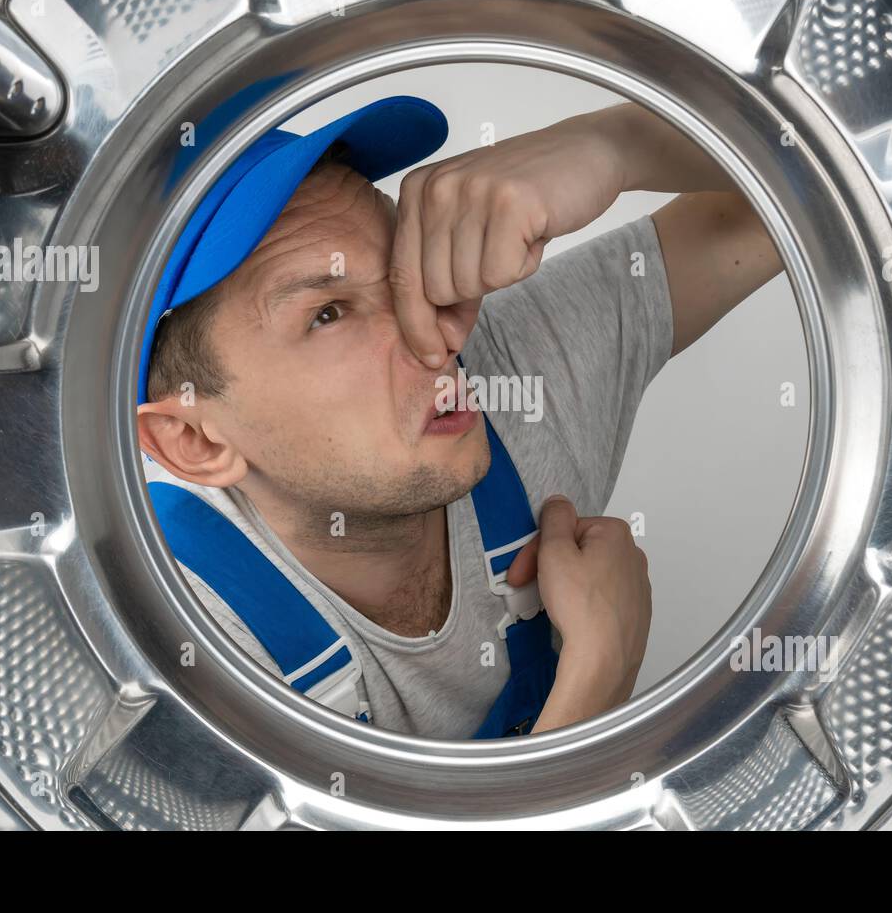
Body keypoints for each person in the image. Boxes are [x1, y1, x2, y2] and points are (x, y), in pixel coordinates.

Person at [136, 95, 782, 738]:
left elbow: (817, 189)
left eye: (399, 271)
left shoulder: (515, 370)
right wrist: (598, 678)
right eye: (328, 313)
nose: (433, 337)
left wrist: (616, 145)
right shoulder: (176, 649)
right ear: (193, 439)